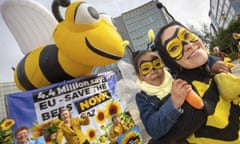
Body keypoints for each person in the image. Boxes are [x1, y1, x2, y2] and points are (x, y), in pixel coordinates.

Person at [151, 21, 240, 144]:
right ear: (169, 61)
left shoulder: (213, 70)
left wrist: (213, 63)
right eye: (174, 47)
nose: (187, 44)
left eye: (186, 36)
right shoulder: (187, 94)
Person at [132, 49, 229, 143]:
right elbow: (153, 129)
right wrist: (173, 104)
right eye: (146, 68)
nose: (154, 71)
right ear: (139, 75)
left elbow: (194, 59)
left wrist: (213, 62)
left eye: (157, 64)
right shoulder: (142, 97)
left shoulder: (175, 74)